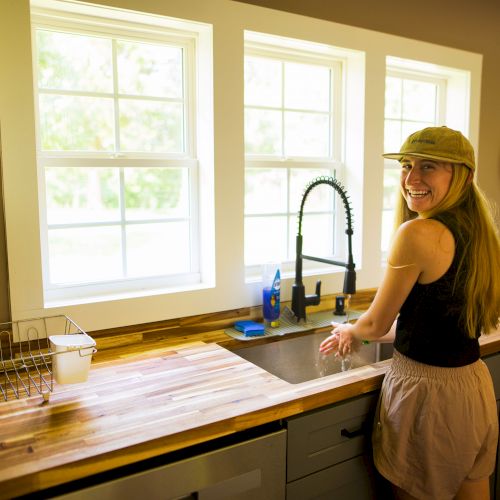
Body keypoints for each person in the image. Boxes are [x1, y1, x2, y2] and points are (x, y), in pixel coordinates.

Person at [319, 126, 500, 500]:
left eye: (428, 166)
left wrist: (355, 331)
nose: (411, 178)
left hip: (428, 398)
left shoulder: (418, 233)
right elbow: (423, 324)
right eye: (406, 165)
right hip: (474, 388)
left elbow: (377, 322)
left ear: (463, 175)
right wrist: (358, 329)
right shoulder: (479, 234)